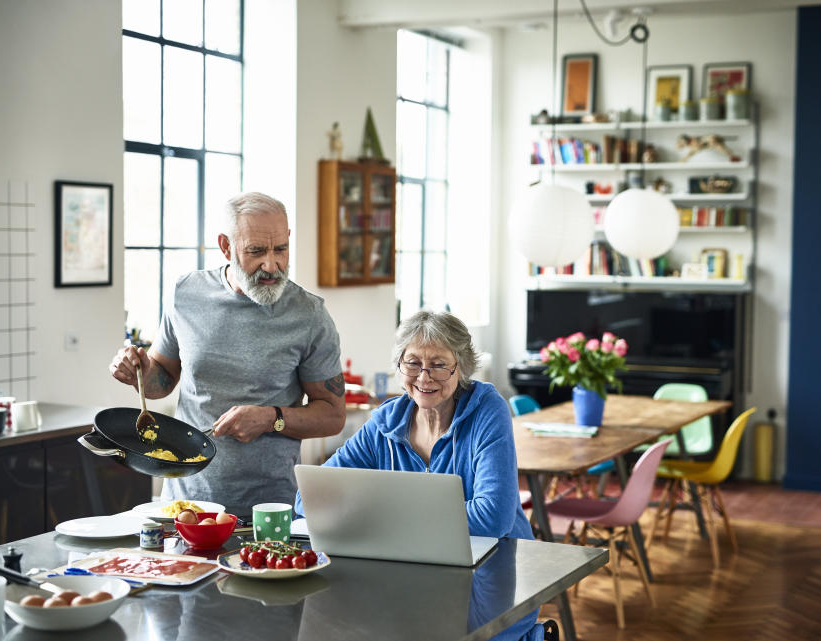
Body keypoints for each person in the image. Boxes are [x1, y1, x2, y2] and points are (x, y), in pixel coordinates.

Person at [296, 310, 547, 641]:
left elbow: (494, 516)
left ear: (462, 367)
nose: (424, 377)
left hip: (492, 582)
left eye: (439, 364)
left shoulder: (487, 409)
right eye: (412, 363)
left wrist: (379, 517)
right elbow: (310, 499)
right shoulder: (385, 424)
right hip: (410, 581)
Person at [109, 192, 346, 517]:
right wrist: (137, 371)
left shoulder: (309, 315)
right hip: (185, 503)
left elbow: (333, 414)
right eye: (256, 251)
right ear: (225, 246)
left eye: (281, 249)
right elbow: (161, 380)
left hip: (269, 508)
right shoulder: (186, 293)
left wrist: (270, 419)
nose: (271, 265)